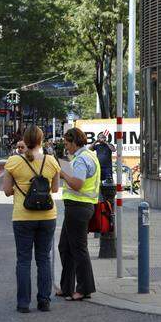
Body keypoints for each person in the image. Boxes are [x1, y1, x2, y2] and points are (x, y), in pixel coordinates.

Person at [3, 125, 61, 313]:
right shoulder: (51, 161)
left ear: (24, 140)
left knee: (23, 260)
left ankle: (23, 303)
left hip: (22, 216)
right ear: (41, 140)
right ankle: (44, 301)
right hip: (47, 216)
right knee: (44, 259)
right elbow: (54, 190)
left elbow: (6, 191)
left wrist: (21, 188)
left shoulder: (13, 162)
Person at [57, 128, 101, 301]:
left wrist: (62, 174)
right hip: (78, 207)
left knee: (78, 249)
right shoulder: (86, 156)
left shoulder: (82, 159)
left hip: (79, 207)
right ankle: (66, 287)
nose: (66, 147)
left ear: (75, 142)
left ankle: (84, 289)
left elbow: (77, 184)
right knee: (65, 247)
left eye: (67, 144)